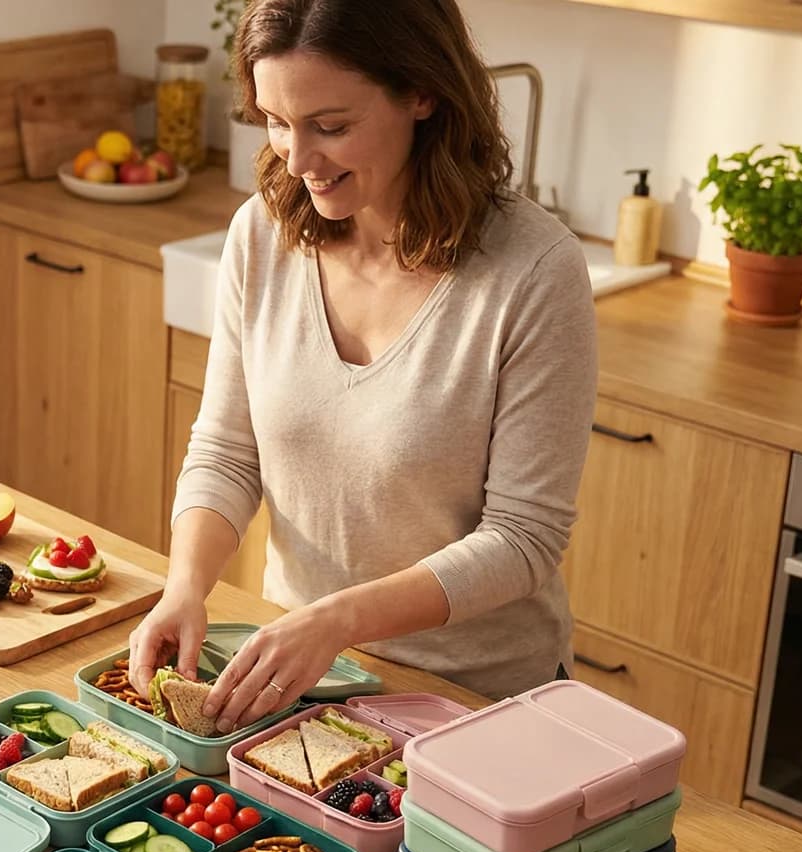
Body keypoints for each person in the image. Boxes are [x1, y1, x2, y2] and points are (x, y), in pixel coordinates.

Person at [129, 0, 597, 732]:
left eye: (331, 126)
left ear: (421, 92)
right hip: (303, 682)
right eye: (277, 122)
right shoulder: (262, 234)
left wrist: (338, 619)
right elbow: (227, 449)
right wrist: (186, 586)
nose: (298, 159)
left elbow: (523, 539)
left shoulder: (535, 271)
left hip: (476, 703)